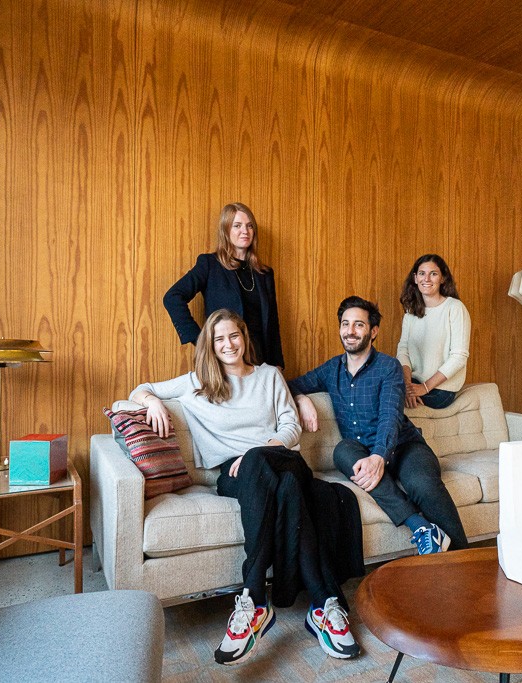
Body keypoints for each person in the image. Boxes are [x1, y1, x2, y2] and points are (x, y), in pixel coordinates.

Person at [129, 309, 361, 665]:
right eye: (219, 339)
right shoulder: (196, 383)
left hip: (282, 458)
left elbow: (290, 425)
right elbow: (137, 391)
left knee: (269, 468)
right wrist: (152, 402)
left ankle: (253, 601)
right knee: (286, 489)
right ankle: (323, 604)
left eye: (233, 336)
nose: (227, 344)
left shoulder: (269, 376)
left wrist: (261, 451)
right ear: (210, 344)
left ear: (244, 338)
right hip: (237, 477)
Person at [288, 296, 468, 556]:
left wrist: (378, 457)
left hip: (405, 447)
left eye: (358, 325)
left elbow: (390, 416)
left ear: (373, 332)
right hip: (360, 450)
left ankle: (464, 559)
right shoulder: (331, 370)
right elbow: (288, 385)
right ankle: (421, 527)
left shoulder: (388, 367)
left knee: (421, 484)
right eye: (345, 324)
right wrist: (301, 398)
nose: (350, 331)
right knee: (343, 451)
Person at [163, 202, 285, 368]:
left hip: (258, 361)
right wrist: (201, 341)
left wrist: (276, 364)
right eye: (237, 226)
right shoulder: (209, 264)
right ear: (226, 231)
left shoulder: (264, 273)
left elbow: (272, 324)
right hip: (224, 359)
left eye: (250, 226)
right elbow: (172, 297)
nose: (245, 231)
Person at [397, 254, 471, 409]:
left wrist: (424, 387)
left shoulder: (455, 308)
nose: (427, 279)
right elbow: (403, 350)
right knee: (378, 385)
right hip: (413, 381)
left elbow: (459, 357)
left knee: (388, 396)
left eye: (434, 274)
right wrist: (407, 386)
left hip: (440, 390)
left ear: (442, 278)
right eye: (422, 273)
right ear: (415, 278)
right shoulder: (410, 312)